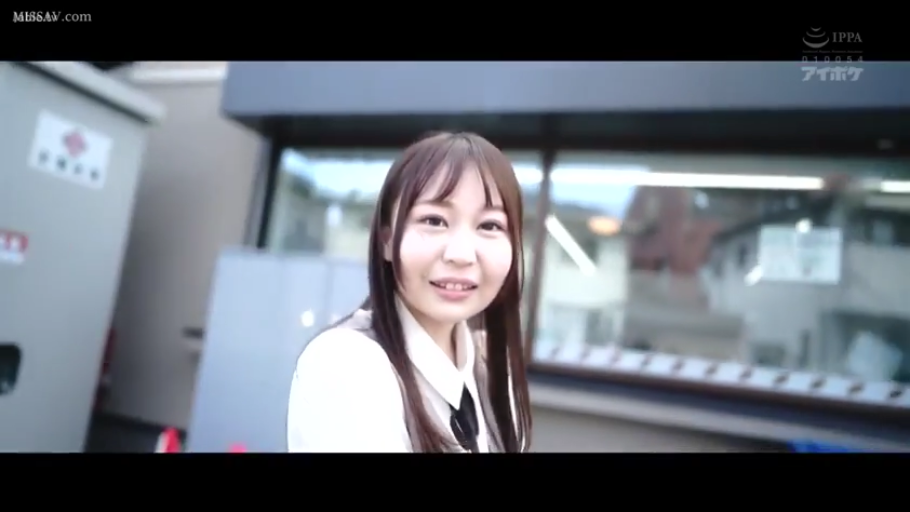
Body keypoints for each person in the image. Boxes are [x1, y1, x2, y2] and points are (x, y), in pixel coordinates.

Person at [286, 131, 532, 453]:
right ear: (387, 240)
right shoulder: (349, 364)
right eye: (434, 220)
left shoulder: (486, 365)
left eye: (489, 226)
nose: (461, 254)